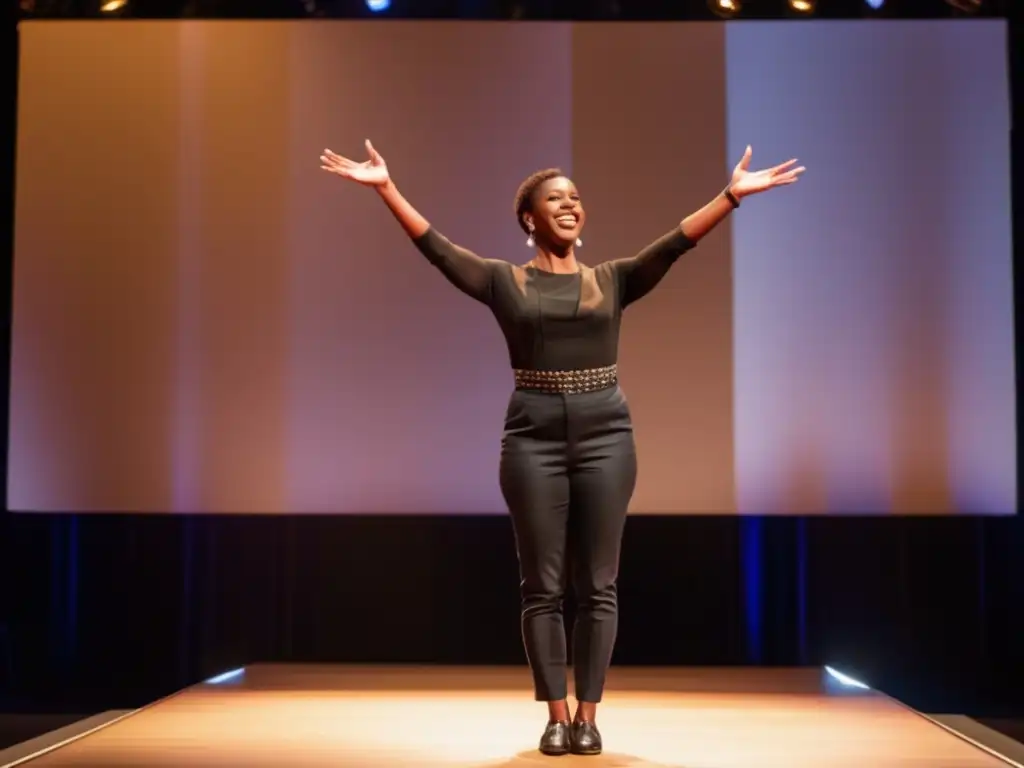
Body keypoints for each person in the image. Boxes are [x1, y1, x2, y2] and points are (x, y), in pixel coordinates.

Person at [319, 140, 803, 756]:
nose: (570, 204)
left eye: (575, 197)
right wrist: (387, 187)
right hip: (533, 437)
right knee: (541, 587)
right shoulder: (503, 282)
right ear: (530, 217)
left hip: (607, 434)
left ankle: (589, 715)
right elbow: (438, 250)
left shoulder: (613, 280)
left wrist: (732, 195)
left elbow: (677, 243)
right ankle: (554, 715)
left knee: (598, 584)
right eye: (555, 198)